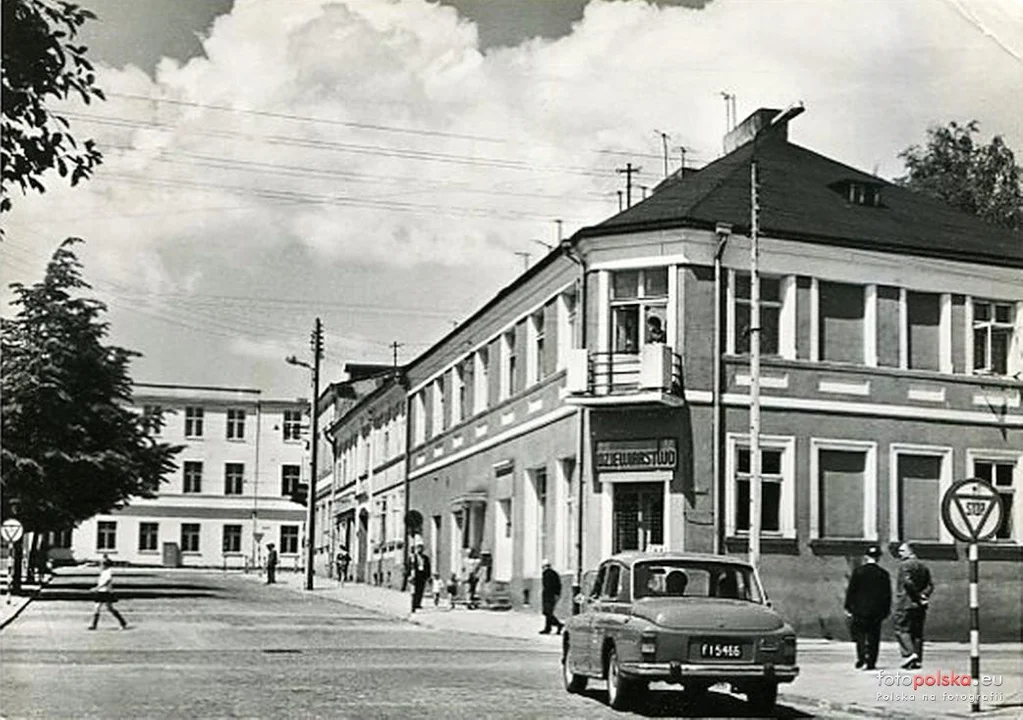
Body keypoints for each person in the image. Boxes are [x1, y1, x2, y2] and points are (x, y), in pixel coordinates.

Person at [844, 545, 891, 670]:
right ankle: (871, 661)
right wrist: (886, 611)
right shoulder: (883, 574)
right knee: (874, 636)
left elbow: (851, 591)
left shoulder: (858, 572)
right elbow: (887, 595)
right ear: (878, 558)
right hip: (876, 611)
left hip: (860, 610)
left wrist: (848, 607)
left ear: (866, 557)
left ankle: (861, 658)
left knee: (860, 635)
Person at [893, 542, 933, 669]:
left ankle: (909, 654)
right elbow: (930, 585)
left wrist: (916, 596)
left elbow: (907, 583)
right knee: (917, 632)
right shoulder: (923, 566)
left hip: (906, 602)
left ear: (910, 551)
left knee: (902, 629)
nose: (899, 553)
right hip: (920, 605)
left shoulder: (905, 565)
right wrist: (923, 596)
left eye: (902, 551)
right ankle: (917, 659)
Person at [88, 555, 128, 630]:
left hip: (106, 592)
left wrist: (97, 588)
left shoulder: (108, 571)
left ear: (105, 564)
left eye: (101, 564)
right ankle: (94, 625)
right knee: (97, 607)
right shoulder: (103, 572)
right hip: (101, 591)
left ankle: (122, 622)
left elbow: (107, 581)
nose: (100, 565)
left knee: (109, 608)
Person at [539, 559, 564, 635]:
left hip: (548, 595)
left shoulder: (547, 573)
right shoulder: (554, 573)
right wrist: (557, 594)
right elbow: (558, 585)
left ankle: (558, 624)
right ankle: (548, 628)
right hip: (552, 595)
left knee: (547, 612)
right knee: (548, 612)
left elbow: (548, 586)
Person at [406, 541, 432, 612]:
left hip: (422, 575)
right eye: (418, 548)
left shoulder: (425, 558)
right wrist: (408, 576)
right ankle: (413, 605)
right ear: (416, 549)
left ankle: (418, 603)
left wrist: (428, 576)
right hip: (415, 576)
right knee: (414, 591)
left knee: (421, 590)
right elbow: (409, 567)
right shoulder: (413, 557)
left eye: (421, 548)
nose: (420, 550)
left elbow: (428, 567)